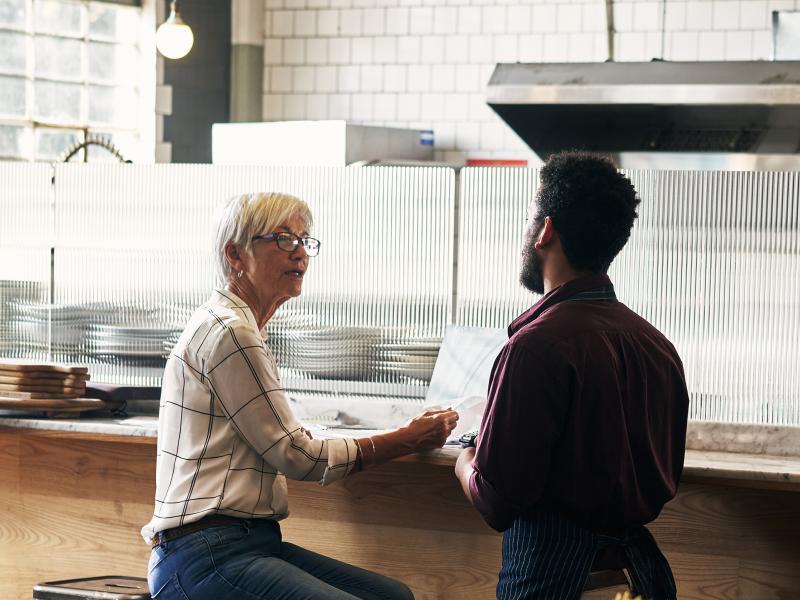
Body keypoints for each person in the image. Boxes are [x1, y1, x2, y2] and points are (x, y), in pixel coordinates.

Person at [142, 192, 458, 600]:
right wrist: (407, 437)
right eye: (282, 239)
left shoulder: (239, 326)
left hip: (246, 543)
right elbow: (299, 456)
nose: (299, 254)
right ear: (235, 254)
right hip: (205, 556)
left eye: (304, 240)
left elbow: (277, 437)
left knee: (392, 595)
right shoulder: (231, 332)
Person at [455, 152, 689, 600]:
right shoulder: (657, 346)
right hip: (641, 577)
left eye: (529, 218)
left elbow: (495, 500)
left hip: (554, 581)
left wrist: (465, 460)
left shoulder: (535, 346)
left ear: (545, 230)